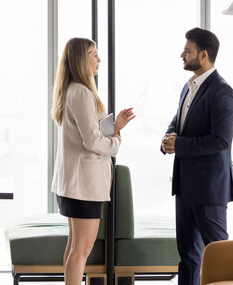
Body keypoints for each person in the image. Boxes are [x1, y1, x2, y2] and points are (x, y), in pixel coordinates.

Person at [50, 37, 135, 285]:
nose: (99, 60)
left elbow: (89, 132)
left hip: (75, 184)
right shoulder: (82, 93)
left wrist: (114, 126)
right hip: (83, 186)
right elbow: (92, 141)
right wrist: (116, 141)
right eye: (94, 55)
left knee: (75, 247)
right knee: (82, 250)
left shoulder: (73, 90)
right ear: (81, 59)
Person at [161, 27, 233, 285]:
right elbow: (178, 122)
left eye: (187, 50)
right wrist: (168, 138)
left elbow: (221, 141)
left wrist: (179, 145)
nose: (182, 54)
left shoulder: (222, 92)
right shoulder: (189, 86)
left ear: (203, 55)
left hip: (208, 190)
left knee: (220, 255)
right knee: (188, 256)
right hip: (184, 187)